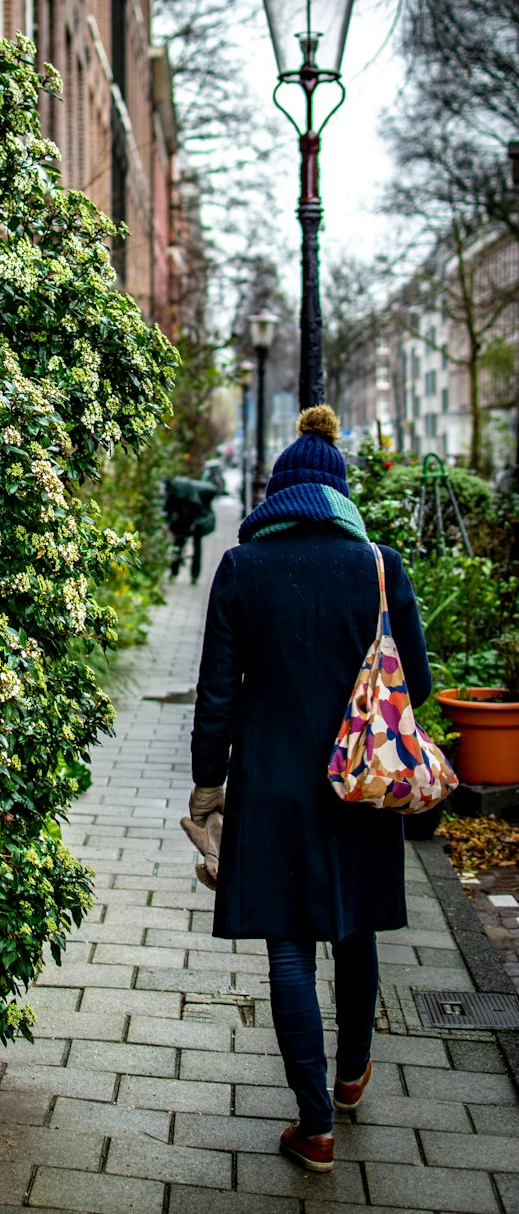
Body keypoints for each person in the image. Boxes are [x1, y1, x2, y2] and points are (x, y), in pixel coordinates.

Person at [188, 405, 431, 1174]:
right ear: (340, 493)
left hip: (273, 785)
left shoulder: (242, 566)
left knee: (289, 944)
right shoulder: (378, 565)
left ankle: (314, 1124)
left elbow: (217, 693)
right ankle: (353, 1071)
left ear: (276, 493)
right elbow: (416, 682)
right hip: (362, 780)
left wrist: (207, 783)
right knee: (355, 929)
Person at [163, 476, 217, 583]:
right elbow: (168, 511)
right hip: (183, 520)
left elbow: (200, 510)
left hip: (197, 518)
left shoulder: (192, 495)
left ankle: (194, 574)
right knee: (178, 541)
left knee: (196, 543)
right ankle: (174, 570)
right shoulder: (174, 494)